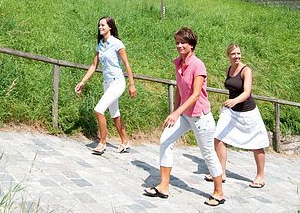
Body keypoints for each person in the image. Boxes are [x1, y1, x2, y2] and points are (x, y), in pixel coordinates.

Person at [143, 27, 225, 207]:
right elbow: (180, 91)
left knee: (207, 153)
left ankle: (219, 192)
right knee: (165, 141)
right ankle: (164, 186)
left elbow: (196, 94)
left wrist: (176, 112)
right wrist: (174, 110)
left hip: (200, 116)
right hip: (185, 115)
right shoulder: (178, 64)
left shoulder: (198, 65)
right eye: (177, 43)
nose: (179, 46)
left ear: (192, 45)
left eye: (183, 43)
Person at [205, 44, 269, 188]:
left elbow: (247, 92)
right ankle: (221, 172)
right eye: (233, 54)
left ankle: (260, 175)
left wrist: (234, 101)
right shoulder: (229, 69)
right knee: (218, 137)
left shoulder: (246, 70)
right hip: (231, 111)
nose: (237, 56)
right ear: (228, 55)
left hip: (248, 112)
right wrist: (232, 103)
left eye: (238, 53)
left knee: (257, 144)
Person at [75, 16, 137, 155]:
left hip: (117, 81)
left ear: (110, 27)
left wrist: (131, 85)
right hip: (107, 83)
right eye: (99, 25)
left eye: (103, 25)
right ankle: (125, 141)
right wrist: (82, 81)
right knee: (114, 114)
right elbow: (93, 65)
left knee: (98, 110)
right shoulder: (100, 44)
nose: (100, 27)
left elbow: (127, 64)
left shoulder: (117, 43)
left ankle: (102, 143)